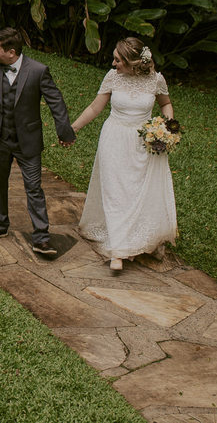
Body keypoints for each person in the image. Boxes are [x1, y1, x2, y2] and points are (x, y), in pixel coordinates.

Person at [0, 27, 75, 256]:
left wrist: (64, 132)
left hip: (28, 142)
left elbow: (57, 103)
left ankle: (42, 238)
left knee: (34, 188)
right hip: (0, 139)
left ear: (11, 52)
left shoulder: (38, 71)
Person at [71, 38, 177, 272]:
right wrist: (73, 128)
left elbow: (166, 104)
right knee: (116, 192)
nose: (113, 63)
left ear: (133, 63)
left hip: (143, 142)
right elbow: (94, 108)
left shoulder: (156, 80)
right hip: (114, 139)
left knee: (138, 191)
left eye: (118, 60)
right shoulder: (112, 77)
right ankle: (118, 250)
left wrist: (166, 127)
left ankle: (143, 238)